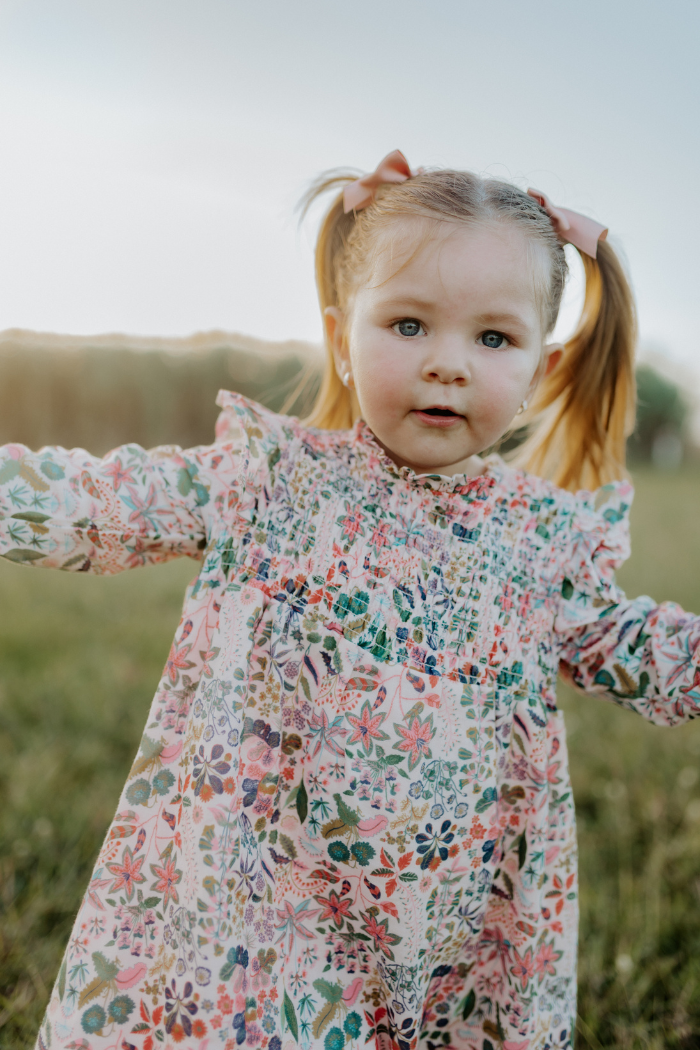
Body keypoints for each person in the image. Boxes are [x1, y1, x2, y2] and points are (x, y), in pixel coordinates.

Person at [2, 150, 697, 1050]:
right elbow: (99, 503)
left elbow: (636, 649)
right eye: (408, 324)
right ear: (341, 335)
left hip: (444, 938)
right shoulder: (273, 481)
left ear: (539, 366)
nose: (448, 364)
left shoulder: (539, 542)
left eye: (493, 339)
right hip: (259, 920)